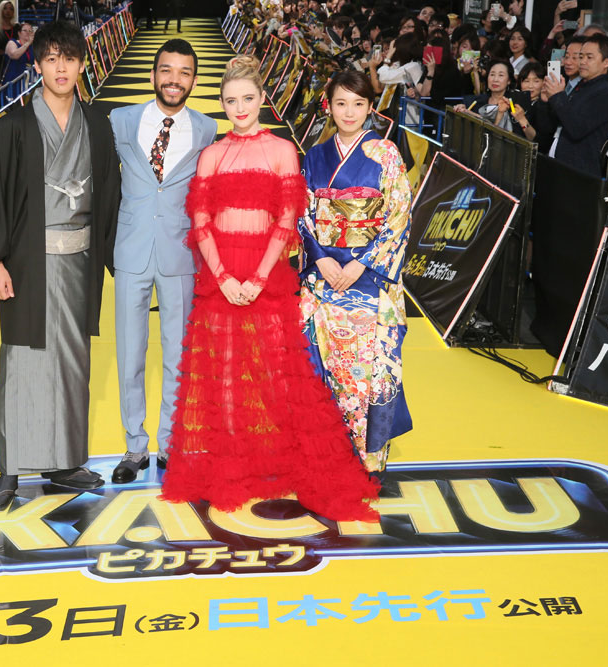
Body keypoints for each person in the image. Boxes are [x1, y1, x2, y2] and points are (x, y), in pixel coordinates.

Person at [159, 57, 378, 520]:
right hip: (220, 279)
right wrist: (223, 277)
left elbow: (286, 220)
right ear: (221, 103)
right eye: (230, 100)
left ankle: (274, 462)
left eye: (247, 98)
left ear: (262, 98)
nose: (239, 108)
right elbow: (201, 222)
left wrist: (257, 278)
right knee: (223, 376)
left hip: (267, 278)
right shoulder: (212, 154)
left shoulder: (282, 150)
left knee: (277, 374)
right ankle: (232, 465)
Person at [0, 22, 121, 511]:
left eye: (69, 58)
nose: (60, 68)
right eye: (51, 59)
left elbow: (111, 196)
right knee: (22, 364)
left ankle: (64, 462)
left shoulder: (98, 125)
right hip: (27, 262)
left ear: (82, 64)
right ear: (38, 66)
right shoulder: (14, 128)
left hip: (80, 261)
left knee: (72, 363)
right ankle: (9, 472)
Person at [108, 40, 217, 484]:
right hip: (131, 251)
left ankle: (171, 443)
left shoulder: (207, 129)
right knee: (129, 354)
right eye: (167, 70)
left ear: (194, 80)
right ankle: (135, 446)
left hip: (181, 255)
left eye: (184, 72)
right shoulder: (120, 120)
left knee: (178, 356)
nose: (175, 80)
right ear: (153, 75)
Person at [299, 69, 413, 476]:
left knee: (369, 370)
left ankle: (368, 461)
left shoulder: (386, 154)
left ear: (370, 108)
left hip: (368, 279)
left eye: (358, 104)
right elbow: (302, 214)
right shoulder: (314, 156)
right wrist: (320, 257)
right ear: (328, 106)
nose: (349, 112)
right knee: (324, 365)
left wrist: (360, 261)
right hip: (325, 277)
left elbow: (398, 216)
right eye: (341, 103)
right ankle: (327, 457)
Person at [538, 32, 608, 177]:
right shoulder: (582, 86)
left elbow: (576, 129)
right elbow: (555, 123)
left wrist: (558, 96)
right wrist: (545, 101)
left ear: (606, 62)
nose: (582, 62)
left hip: (579, 173)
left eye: (589, 57)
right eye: (581, 57)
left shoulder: (604, 93)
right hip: (560, 165)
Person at [454, 60, 535, 141]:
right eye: (492, 74)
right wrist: (462, 110)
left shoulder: (518, 101)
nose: (495, 79)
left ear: (509, 81)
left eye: (501, 75)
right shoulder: (476, 102)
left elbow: (532, 138)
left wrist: (522, 119)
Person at [2, 22, 35, 96]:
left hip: (26, 81)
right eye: (25, 30)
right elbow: (14, 55)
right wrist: (28, 43)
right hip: (13, 81)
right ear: (19, 33)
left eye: (30, 31)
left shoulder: (32, 47)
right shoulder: (12, 43)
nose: (28, 33)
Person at [0, 1, 18, 85]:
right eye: (5, 8)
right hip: (1, 63)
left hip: (15, 62)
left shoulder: (17, 27)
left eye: (11, 9)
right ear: (0, 10)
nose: (8, 11)